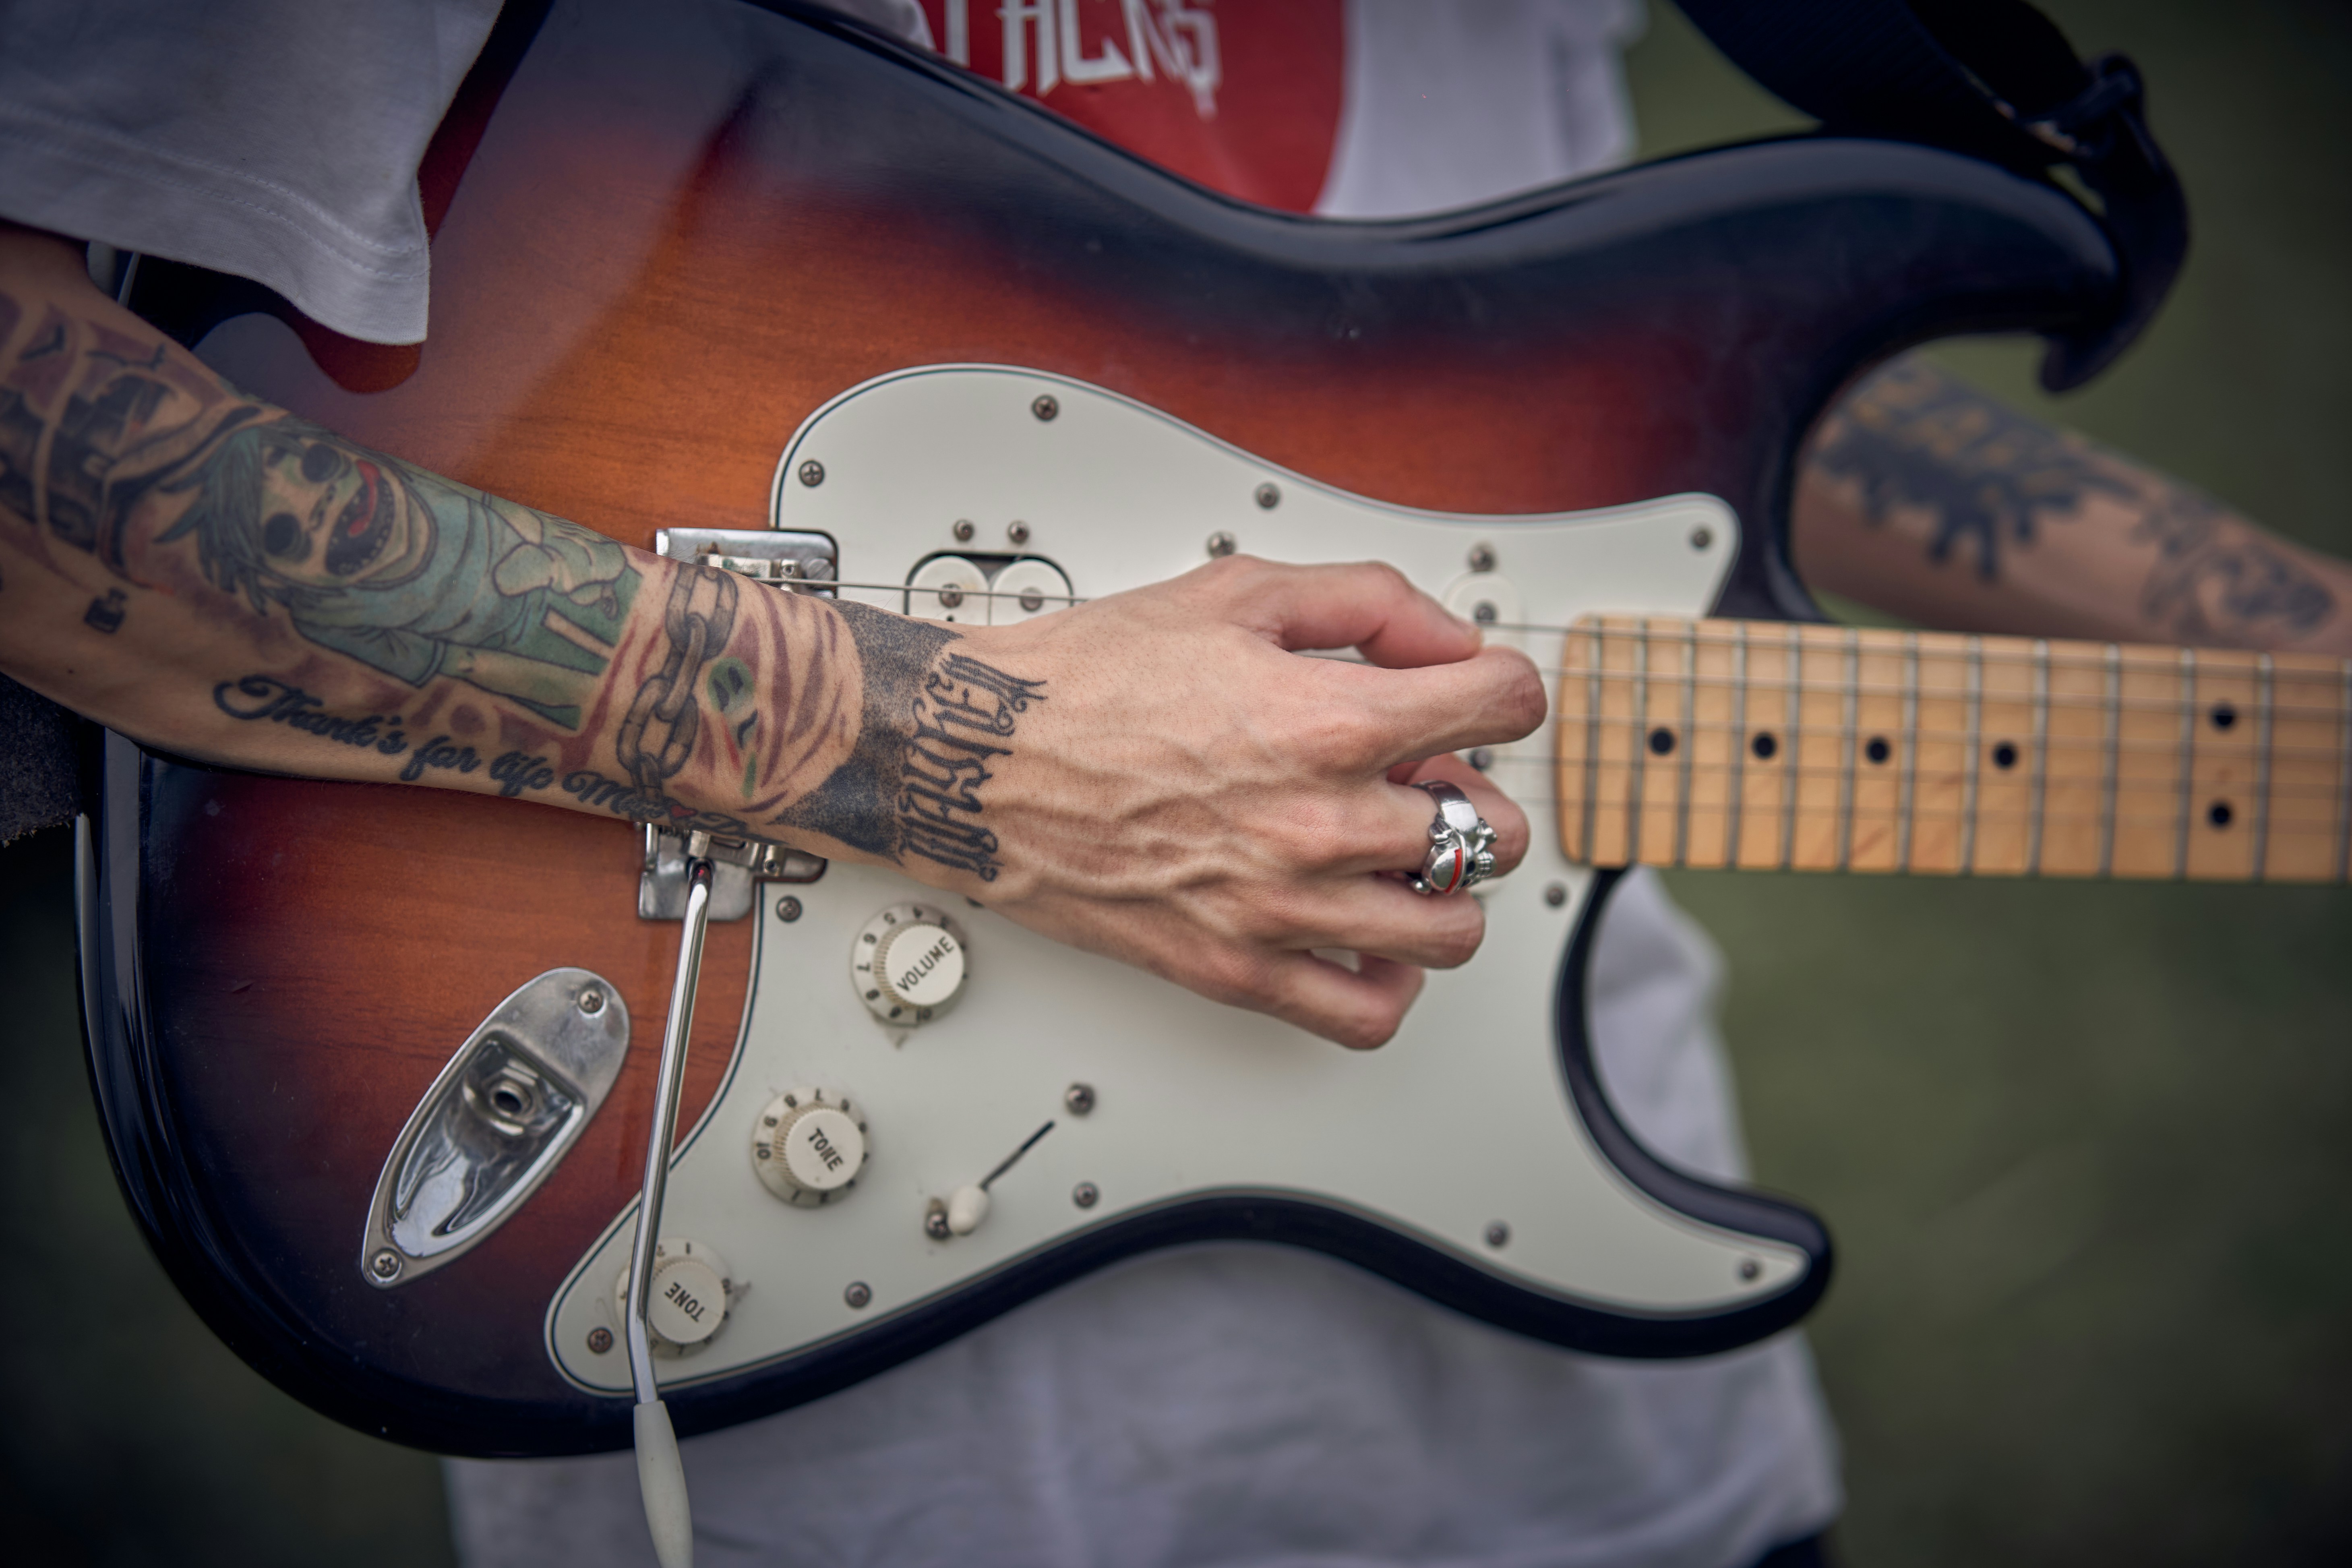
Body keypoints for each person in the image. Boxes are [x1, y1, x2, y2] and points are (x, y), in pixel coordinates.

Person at [3, 4, 2348, 1566]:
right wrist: (966, 756)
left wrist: (2300, 668)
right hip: (845, 1433)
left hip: (1600, 1460)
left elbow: (1629, 357)